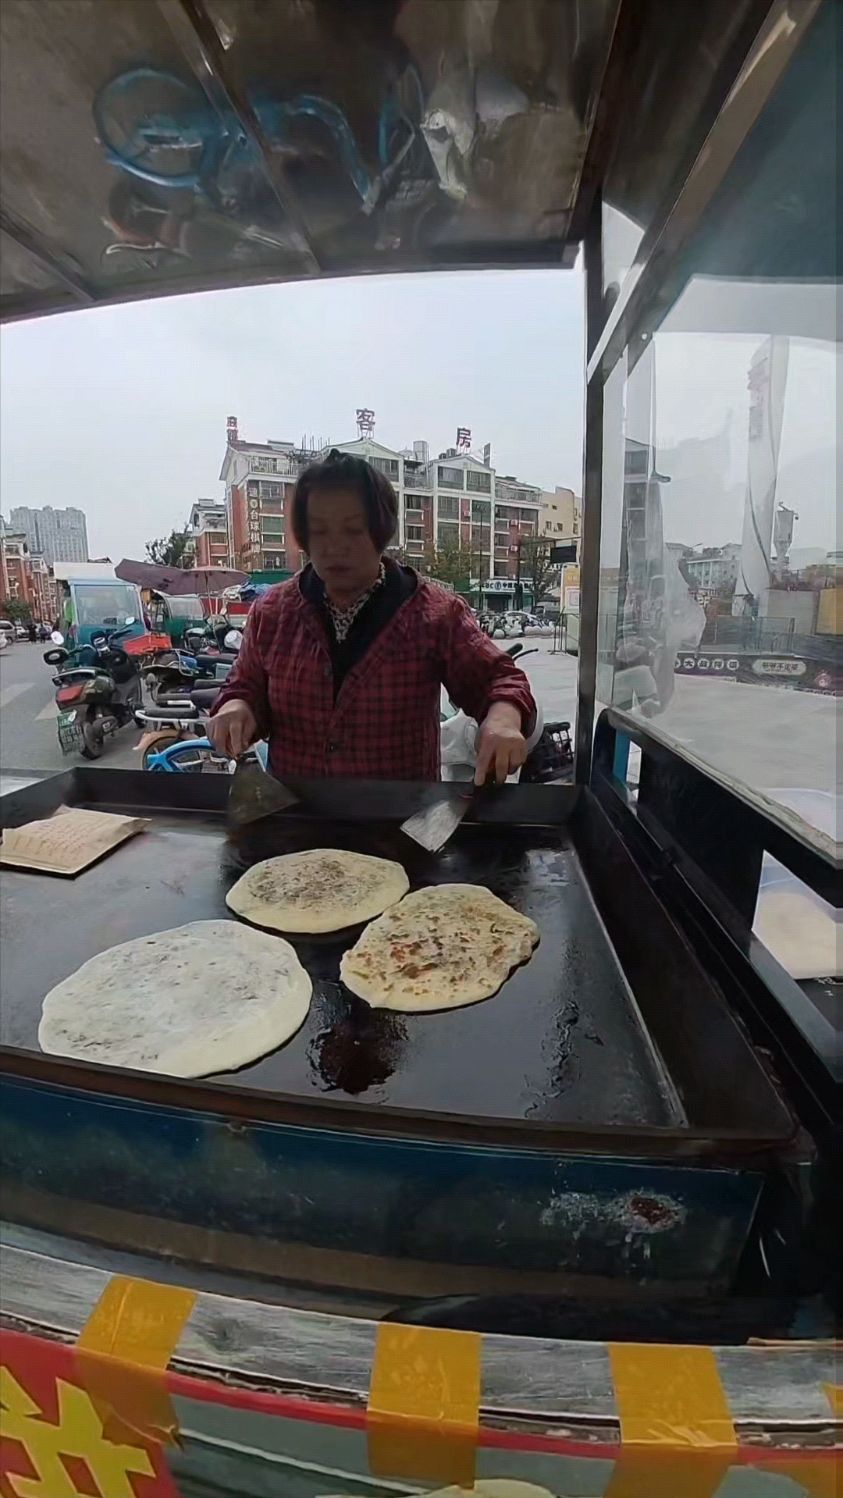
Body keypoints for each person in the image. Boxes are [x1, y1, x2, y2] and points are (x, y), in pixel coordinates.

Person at [208, 452, 535, 783]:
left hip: (400, 821)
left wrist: (502, 722)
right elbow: (244, 687)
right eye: (319, 532)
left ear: (381, 530)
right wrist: (237, 709)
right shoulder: (273, 612)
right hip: (295, 820)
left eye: (352, 530)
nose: (335, 547)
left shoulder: (435, 615)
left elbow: (500, 681)